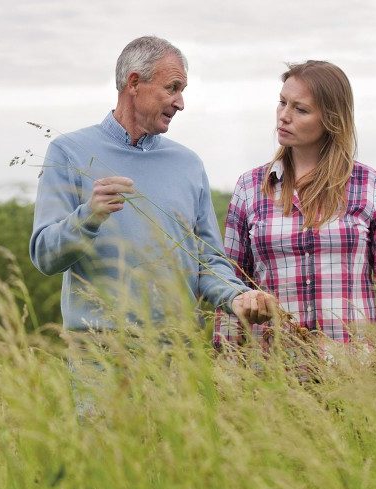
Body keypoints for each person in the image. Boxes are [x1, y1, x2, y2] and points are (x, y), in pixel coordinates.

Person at [29, 36, 273, 335]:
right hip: (101, 353)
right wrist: (89, 216)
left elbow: (208, 259)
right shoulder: (68, 152)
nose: (180, 103)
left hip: (182, 353)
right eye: (172, 88)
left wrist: (235, 296)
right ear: (133, 83)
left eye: (182, 90)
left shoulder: (188, 164)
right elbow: (44, 258)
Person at [214, 60, 376, 348]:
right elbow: (232, 284)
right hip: (274, 370)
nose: (284, 116)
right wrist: (227, 364)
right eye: (282, 103)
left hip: (357, 368)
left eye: (300, 109)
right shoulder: (250, 187)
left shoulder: (368, 183)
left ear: (331, 119)